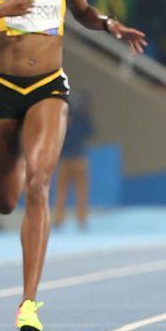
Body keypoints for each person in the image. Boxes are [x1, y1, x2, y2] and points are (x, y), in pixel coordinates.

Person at [0, 0, 146, 331]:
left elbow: (82, 11)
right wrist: (0, 10)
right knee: (6, 201)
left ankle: (28, 302)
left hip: (48, 86)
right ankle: (22, 151)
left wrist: (108, 24)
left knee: (38, 184)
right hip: (3, 89)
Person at [53, 91, 93, 230]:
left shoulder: (64, 118)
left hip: (68, 159)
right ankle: (80, 220)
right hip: (77, 158)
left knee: (63, 191)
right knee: (78, 191)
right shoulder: (81, 118)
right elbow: (90, 132)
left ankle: (61, 220)